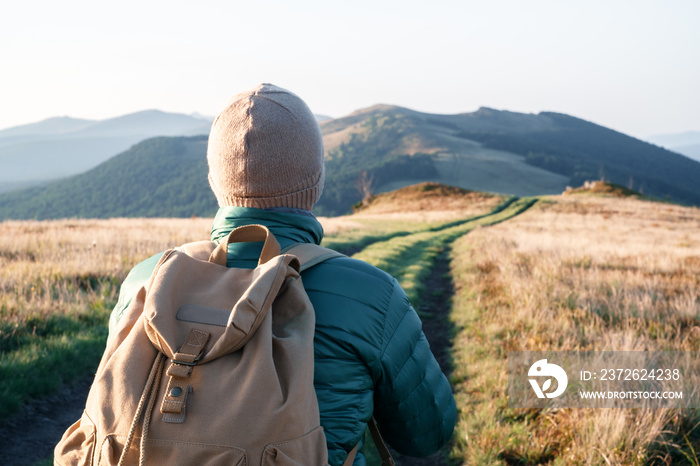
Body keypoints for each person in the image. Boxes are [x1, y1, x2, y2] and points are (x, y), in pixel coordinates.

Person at [108, 83, 456, 465]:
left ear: (214, 182)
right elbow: (425, 436)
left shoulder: (148, 278)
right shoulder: (373, 295)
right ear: (317, 181)